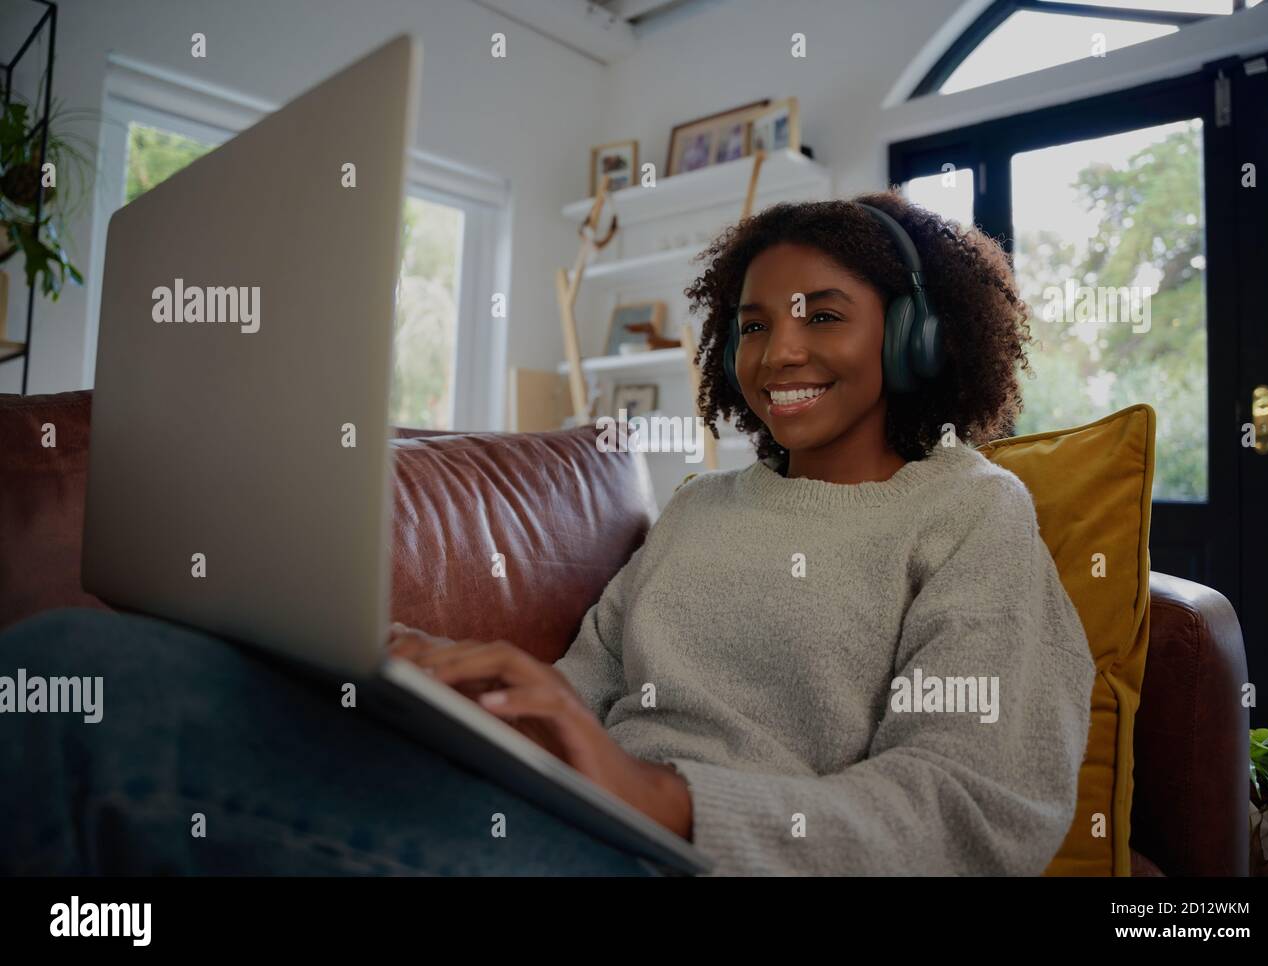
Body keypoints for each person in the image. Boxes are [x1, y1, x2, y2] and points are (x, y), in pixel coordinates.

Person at [0, 189, 1095, 876]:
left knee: (92, 716)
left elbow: (975, 811)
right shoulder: (702, 508)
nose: (776, 354)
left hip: (697, 858)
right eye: (752, 325)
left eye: (822, 315)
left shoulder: (967, 512)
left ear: (910, 342)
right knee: (84, 660)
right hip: (568, 822)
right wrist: (458, 691)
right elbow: (583, 683)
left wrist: (673, 803)